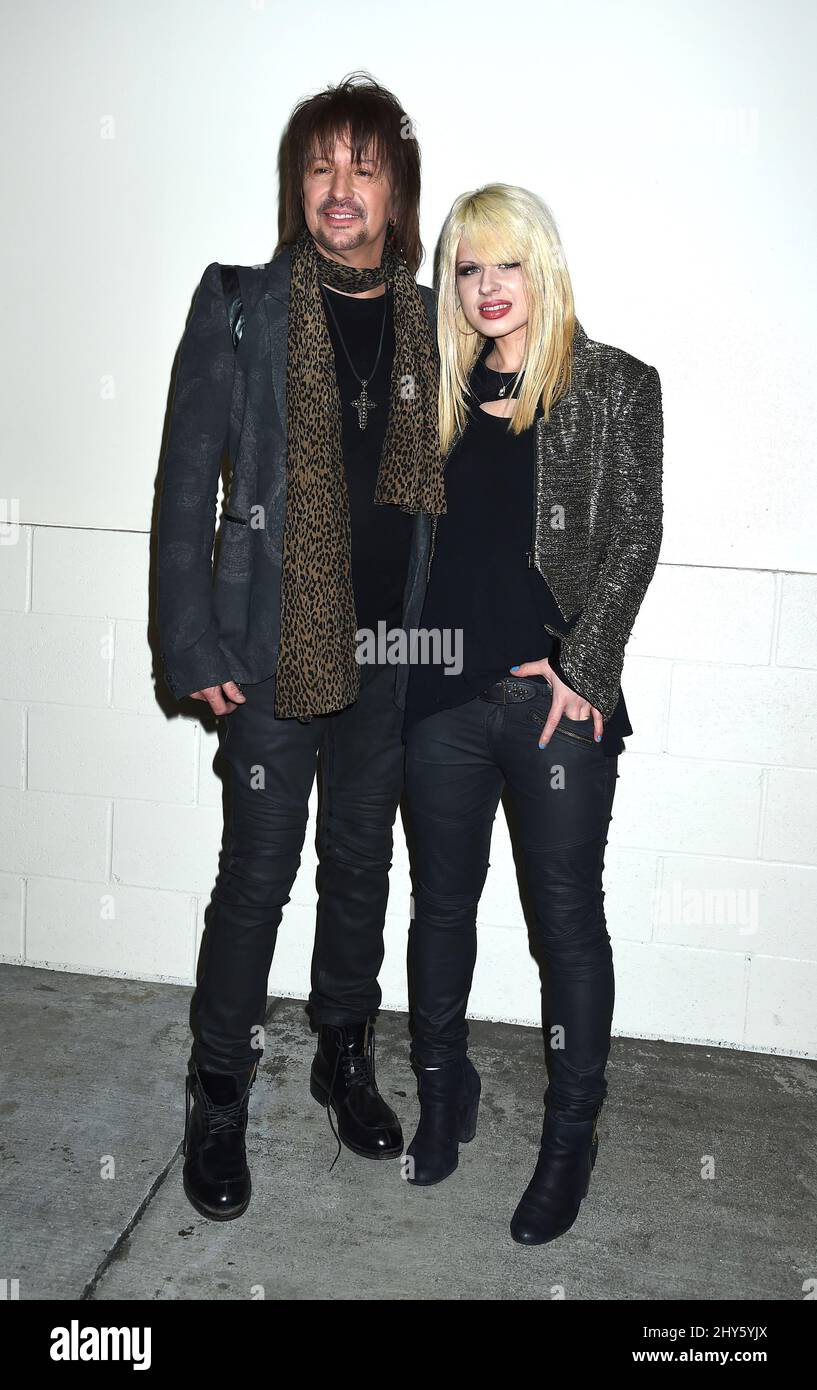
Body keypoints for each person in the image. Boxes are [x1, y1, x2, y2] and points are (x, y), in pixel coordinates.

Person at [156, 73, 445, 1220]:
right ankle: (218, 1086)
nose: (339, 188)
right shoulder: (240, 303)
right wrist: (192, 643)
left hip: (392, 653)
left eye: (361, 168)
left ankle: (342, 1051)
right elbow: (186, 492)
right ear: (298, 184)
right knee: (256, 877)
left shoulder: (426, 321)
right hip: (270, 653)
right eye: (320, 166)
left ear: (395, 191)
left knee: (363, 871)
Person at [396, 183, 664, 1244]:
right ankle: (442, 1090)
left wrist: (583, 670)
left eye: (506, 263)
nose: (487, 286)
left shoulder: (611, 385)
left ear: (541, 267)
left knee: (564, 921)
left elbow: (636, 536)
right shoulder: (437, 391)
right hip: (436, 701)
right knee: (439, 908)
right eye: (467, 268)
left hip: (554, 706)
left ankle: (570, 1135)